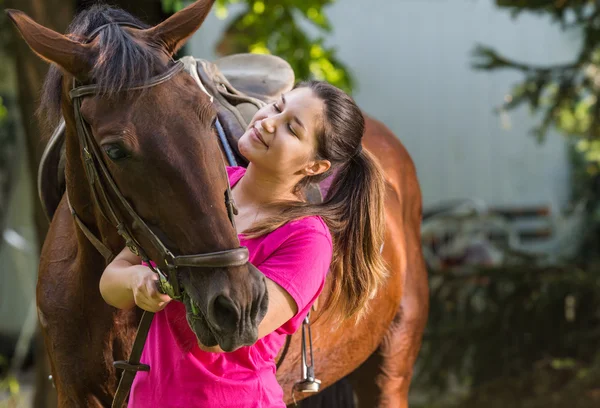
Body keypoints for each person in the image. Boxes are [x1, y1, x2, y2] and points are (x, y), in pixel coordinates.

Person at [99, 80, 387, 407]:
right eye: (276, 107)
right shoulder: (203, 190)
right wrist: (138, 281)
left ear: (315, 166)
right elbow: (111, 282)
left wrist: (170, 281)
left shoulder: (307, 240)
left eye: (291, 129)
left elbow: (225, 337)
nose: (267, 122)